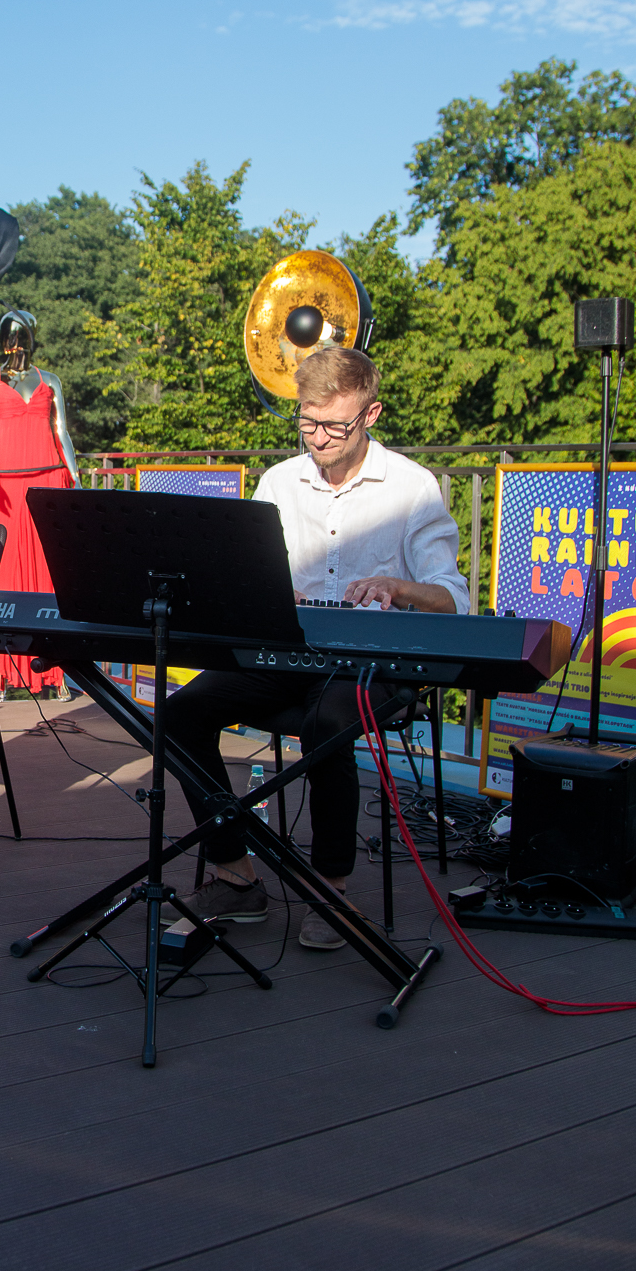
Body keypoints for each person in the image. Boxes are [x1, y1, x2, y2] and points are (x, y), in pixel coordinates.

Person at [165, 345, 469, 949]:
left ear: (370, 414)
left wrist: (398, 587)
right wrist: (267, 590)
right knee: (180, 714)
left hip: (373, 663)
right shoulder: (279, 481)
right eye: (308, 422)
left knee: (326, 723)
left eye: (335, 425)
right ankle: (236, 874)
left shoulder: (412, 486)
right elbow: (242, 579)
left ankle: (331, 889)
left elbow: (454, 599)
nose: (320, 438)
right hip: (288, 652)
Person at [0, 308, 79, 695]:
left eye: (21, 335)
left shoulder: (50, 380)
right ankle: (3, 670)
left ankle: (53, 673)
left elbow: (62, 432)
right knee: (4, 573)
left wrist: (75, 476)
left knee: (47, 573)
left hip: (47, 479)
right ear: (3, 339)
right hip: (6, 484)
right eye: (10, 335)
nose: (16, 342)